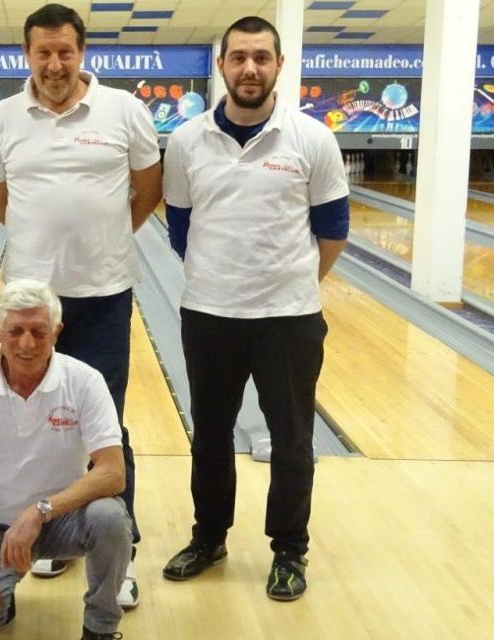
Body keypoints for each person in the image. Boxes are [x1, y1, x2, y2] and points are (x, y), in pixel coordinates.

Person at [161, 16, 349, 601]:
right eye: (238, 57)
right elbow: (180, 227)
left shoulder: (312, 138)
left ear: (278, 65)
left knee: (292, 439)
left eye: (261, 58)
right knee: (210, 435)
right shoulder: (189, 140)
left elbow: (333, 229)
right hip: (210, 314)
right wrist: (227, 278)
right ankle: (209, 536)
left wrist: (290, 286)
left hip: (289, 320)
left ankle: (289, 551)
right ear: (221, 66)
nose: (249, 68)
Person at [0, 3, 161, 604]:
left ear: (83, 52)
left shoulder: (124, 111)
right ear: (26, 55)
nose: (55, 63)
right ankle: (57, 535)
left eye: (65, 51)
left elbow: (149, 189)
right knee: (32, 425)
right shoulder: (3, 118)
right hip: (30, 304)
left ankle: (118, 552)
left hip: (105, 296)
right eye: (43, 52)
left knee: (106, 426)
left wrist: (102, 241)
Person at [0, 280, 132, 640]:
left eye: (38, 332)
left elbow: (112, 473)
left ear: (57, 331)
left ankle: (100, 627)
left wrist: (40, 511)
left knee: (109, 518)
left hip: (61, 519)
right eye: (15, 331)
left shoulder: (85, 381)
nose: (26, 344)